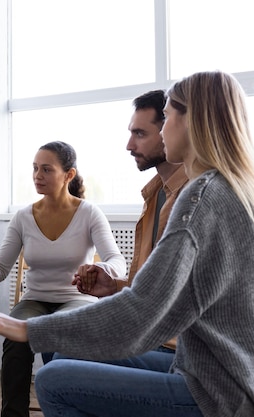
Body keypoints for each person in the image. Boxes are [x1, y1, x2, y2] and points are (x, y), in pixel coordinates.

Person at [0, 71, 254, 417]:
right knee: (64, 359)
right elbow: (173, 302)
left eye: (168, 115)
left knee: (53, 380)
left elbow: (140, 315)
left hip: (224, 394)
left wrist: (23, 328)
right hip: (228, 379)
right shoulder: (227, 188)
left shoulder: (201, 198)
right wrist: (120, 287)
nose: (129, 144)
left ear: (192, 122)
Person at [0, 141, 126, 417]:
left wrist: (103, 271)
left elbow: (117, 261)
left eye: (46, 169)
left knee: (61, 337)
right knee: (14, 337)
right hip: (35, 299)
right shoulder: (23, 217)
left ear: (68, 175)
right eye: (35, 168)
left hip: (76, 299)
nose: (37, 175)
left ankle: (62, 407)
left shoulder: (89, 213)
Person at [76, 89, 189, 352]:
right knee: (54, 348)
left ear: (171, 130)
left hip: (174, 345)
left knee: (57, 362)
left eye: (140, 134)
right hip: (149, 333)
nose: (129, 145)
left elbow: (175, 299)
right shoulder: (155, 195)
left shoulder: (192, 198)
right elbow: (156, 290)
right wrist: (114, 286)